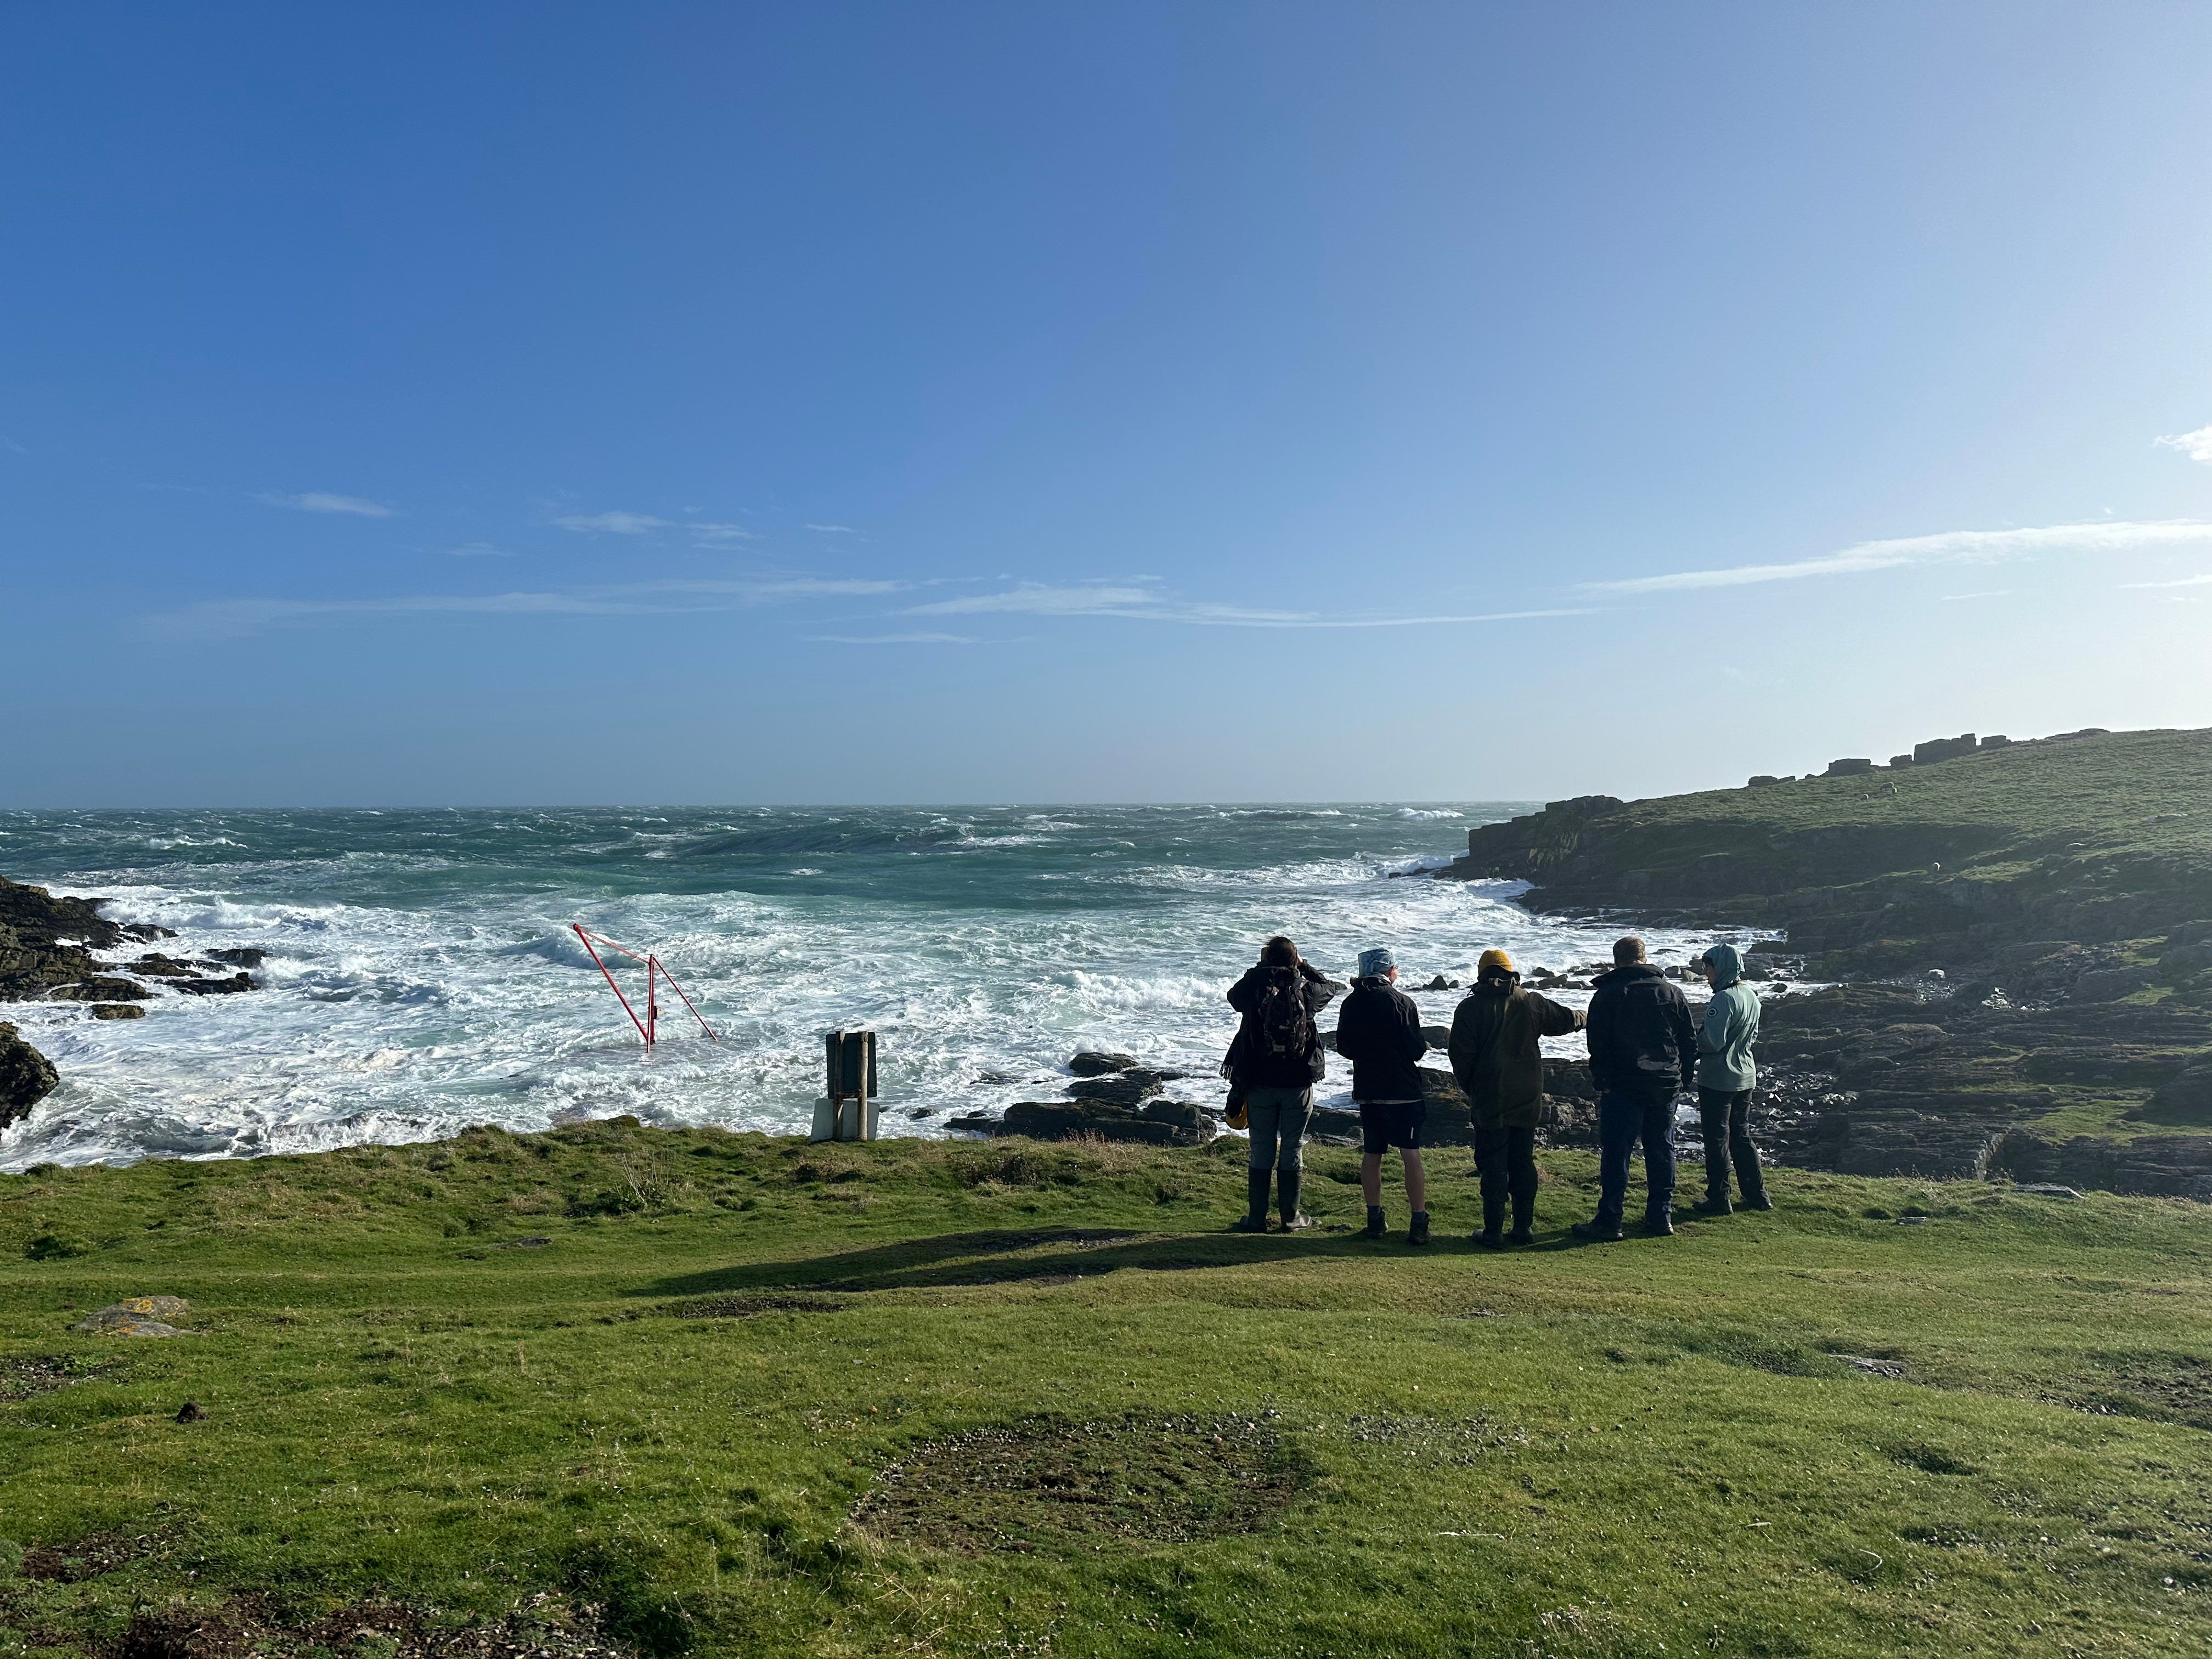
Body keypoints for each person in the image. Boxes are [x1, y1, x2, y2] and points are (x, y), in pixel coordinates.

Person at [1447, 947, 1585, 1248]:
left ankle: (1493, 1231)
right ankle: (1524, 1228)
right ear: (1510, 972)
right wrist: (1588, 1015)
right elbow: (1565, 1021)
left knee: (1493, 1163)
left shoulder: (1469, 1009)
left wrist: (1473, 1089)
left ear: (1482, 974)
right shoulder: (1530, 1001)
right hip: (1527, 1094)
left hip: (1490, 1096)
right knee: (1523, 1161)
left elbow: (1460, 1058)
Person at [1573, 936, 1697, 1242]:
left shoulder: (1608, 994)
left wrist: (1602, 1081)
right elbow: (1688, 1041)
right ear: (1644, 957)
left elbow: (1597, 1045)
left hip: (1624, 1086)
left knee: (1618, 1153)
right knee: (1661, 1148)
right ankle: (1660, 1216)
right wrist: (1683, 1079)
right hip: (1666, 1084)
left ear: (1617, 960)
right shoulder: (1672, 992)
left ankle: (1611, 1219)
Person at [1224, 935, 1340, 1232]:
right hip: (1298, 1082)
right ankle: (1291, 1218)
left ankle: (1257, 1219)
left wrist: (1261, 969)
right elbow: (1331, 987)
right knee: (1292, 1146)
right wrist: (1304, 966)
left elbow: (1233, 996)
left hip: (1259, 1080)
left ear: (1265, 959)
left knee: (1261, 1148)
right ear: (1295, 959)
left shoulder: (1255, 988)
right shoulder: (1306, 990)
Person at [1335, 946, 1431, 1245]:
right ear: (1390, 972)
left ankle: (1375, 1219)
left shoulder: (1351, 1004)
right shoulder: (1402, 1002)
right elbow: (1416, 1049)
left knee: (1372, 1154)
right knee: (1410, 1154)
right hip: (1403, 1089)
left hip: (1369, 1089)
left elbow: (1344, 1047)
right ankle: (1418, 1222)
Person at [1692, 942, 1770, 1214]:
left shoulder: (1724, 999)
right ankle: (1758, 1195)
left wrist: (1692, 1039)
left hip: (1719, 1079)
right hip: (1746, 1076)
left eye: (1708, 968)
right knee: (1742, 1137)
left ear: (1720, 968)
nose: (1706, 975)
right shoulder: (1751, 994)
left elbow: (1712, 1042)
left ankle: (1719, 1199)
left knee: (1717, 1140)